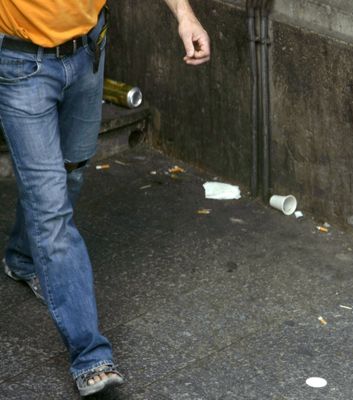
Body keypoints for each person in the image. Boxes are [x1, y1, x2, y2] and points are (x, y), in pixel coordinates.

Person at [0, 0, 210, 396]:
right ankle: (91, 356)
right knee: (52, 214)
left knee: (71, 174)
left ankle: (22, 258)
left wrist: (185, 15)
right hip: (21, 66)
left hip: (88, 50)